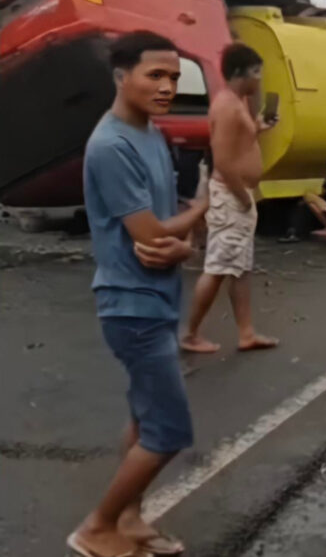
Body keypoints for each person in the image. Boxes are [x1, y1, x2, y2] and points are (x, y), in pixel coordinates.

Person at [71, 31, 209, 557]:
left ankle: (128, 518)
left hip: (156, 298)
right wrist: (198, 213)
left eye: (174, 76)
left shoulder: (151, 133)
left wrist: (182, 241)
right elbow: (153, 238)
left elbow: (166, 234)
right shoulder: (111, 146)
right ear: (120, 77)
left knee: (145, 414)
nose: (168, 85)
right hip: (131, 305)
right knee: (169, 429)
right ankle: (97, 528)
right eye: (156, 75)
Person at [180, 43, 279, 354]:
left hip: (240, 194)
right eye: (255, 73)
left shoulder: (239, 103)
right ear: (239, 74)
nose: (259, 79)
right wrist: (243, 198)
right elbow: (222, 160)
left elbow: (239, 142)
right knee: (220, 266)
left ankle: (246, 332)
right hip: (232, 196)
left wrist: (258, 128)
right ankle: (191, 333)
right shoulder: (227, 106)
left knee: (240, 268)